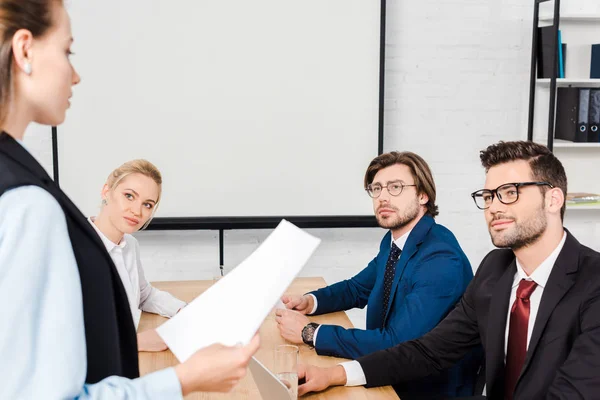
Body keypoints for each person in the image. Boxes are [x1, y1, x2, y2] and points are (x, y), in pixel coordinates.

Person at [0, 1, 258, 398]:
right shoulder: (27, 203)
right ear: (24, 50)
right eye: (67, 51)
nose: (76, 75)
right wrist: (185, 379)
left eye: (148, 203)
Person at [297, 140, 600, 400]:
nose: (494, 206)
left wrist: (314, 335)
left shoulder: (594, 283)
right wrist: (337, 374)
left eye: (510, 192)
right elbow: (430, 350)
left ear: (553, 198)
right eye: (489, 195)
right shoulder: (495, 270)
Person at [276, 151, 478, 398]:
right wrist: (311, 301)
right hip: (385, 374)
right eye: (377, 188)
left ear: (423, 195)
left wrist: (312, 333)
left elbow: (398, 343)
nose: (383, 197)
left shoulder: (441, 259)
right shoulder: (396, 241)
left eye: (395, 187)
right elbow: (358, 288)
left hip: (423, 390)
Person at [89, 159, 187, 352]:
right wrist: (137, 342)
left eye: (148, 205)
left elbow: (143, 295)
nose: (137, 211)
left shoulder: (130, 245)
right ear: (106, 191)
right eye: (129, 196)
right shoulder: (76, 247)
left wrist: (183, 310)